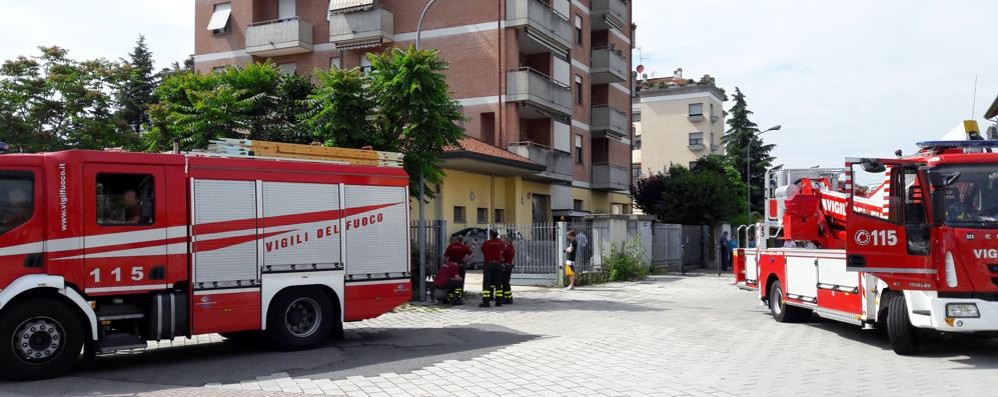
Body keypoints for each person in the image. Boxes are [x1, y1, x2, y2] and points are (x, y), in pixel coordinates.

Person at [479, 230, 505, 308]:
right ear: (497, 235)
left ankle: (486, 302)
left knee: (487, 283)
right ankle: (499, 302)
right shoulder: (501, 243)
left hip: (488, 264)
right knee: (498, 283)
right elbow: (503, 252)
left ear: (490, 235)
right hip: (497, 264)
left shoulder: (486, 243)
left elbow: (483, 250)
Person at [443, 236, 473, 303]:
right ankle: (458, 297)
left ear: (456, 239)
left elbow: (445, 256)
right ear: (462, 240)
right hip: (461, 265)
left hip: (451, 266)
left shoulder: (451, 246)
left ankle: (450, 296)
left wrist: (445, 264)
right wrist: (466, 260)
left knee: (451, 281)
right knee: (460, 282)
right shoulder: (463, 247)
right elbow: (472, 254)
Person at [499, 234, 516, 304]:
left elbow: (501, 257)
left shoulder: (507, 249)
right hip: (508, 266)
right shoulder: (511, 247)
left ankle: (507, 298)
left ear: (508, 240)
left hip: (506, 267)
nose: (504, 240)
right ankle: (508, 297)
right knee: (505, 282)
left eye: (505, 239)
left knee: (504, 282)